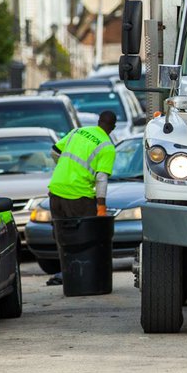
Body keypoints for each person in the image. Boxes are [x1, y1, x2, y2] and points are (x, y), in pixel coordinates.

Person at [45, 110, 117, 286]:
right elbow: (101, 178)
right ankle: (85, 273)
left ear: (99, 121)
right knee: (85, 237)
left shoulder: (77, 132)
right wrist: (101, 206)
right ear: (113, 127)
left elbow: (54, 152)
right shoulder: (107, 146)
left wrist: (65, 170)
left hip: (56, 189)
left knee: (62, 234)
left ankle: (66, 273)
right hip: (80, 195)